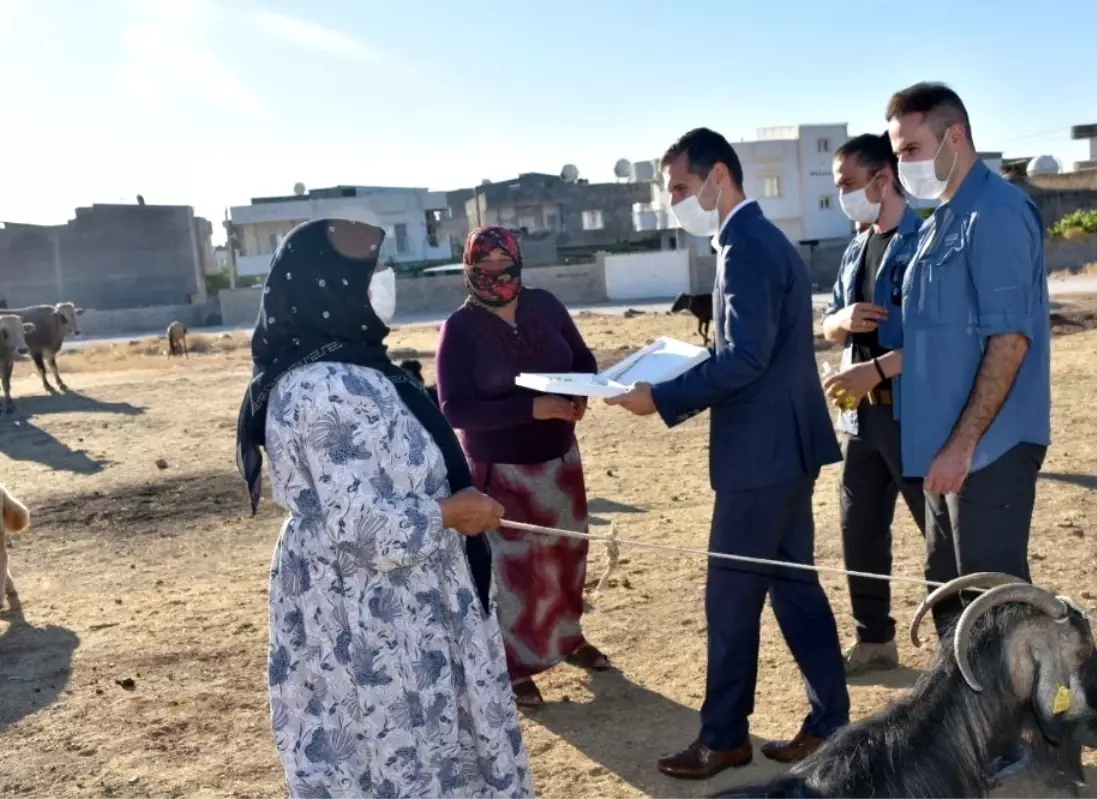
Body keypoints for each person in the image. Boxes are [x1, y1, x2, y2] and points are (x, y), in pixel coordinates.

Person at [235, 218, 534, 798]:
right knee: (396, 751)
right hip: (373, 613)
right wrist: (450, 514)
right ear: (331, 285)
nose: (385, 281)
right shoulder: (322, 386)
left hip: (404, 600)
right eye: (373, 272)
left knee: (434, 749)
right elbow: (362, 528)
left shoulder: (352, 365)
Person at [606, 127, 849, 780]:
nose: (676, 203)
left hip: (762, 458)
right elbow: (754, 350)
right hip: (786, 448)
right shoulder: (762, 240)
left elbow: (745, 357)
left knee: (731, 597)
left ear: (718, 177)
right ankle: (831, 723)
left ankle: (723, 737)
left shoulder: (744, 246)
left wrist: (661, 397)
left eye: (681, 188)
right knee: (794, 587)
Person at [883, 82, 1051, 639]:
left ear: (954, 136)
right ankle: (969, 725)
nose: (904, 165)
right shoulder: (941, 221)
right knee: (950, 600)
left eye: (911, 150)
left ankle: (1038, 721)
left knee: (996, 610)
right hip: (941, 449)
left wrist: (963, 445)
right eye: (899, 152)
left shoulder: (997, 212)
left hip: (987, 447)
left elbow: (1010, 341)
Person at [435, 226, 609, 709]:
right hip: (501, 470)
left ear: (517, 260)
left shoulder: (546, 306)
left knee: (566, 557)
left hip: (559, 462)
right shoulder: (460, 328)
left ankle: (567, 639)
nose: (494, 271)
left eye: (502, 260)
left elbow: (583, 359)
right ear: (468, 267)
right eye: (483, 263)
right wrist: (532, 409)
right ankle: (514, 665)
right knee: (514, 574)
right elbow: (454, 409)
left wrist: (579, 395)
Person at [820, 132, 927, 677]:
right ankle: (875, 640)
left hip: (915, 417)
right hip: (860, 417)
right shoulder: (857, 247)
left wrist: (878, 368)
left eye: (848, 184)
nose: (842, 195)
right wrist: (841, 321)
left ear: (883, 179)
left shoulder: (927, 242)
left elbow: (942, 339)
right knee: (858, 530)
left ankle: (965, 647)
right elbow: (830, 320)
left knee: (940, 538)